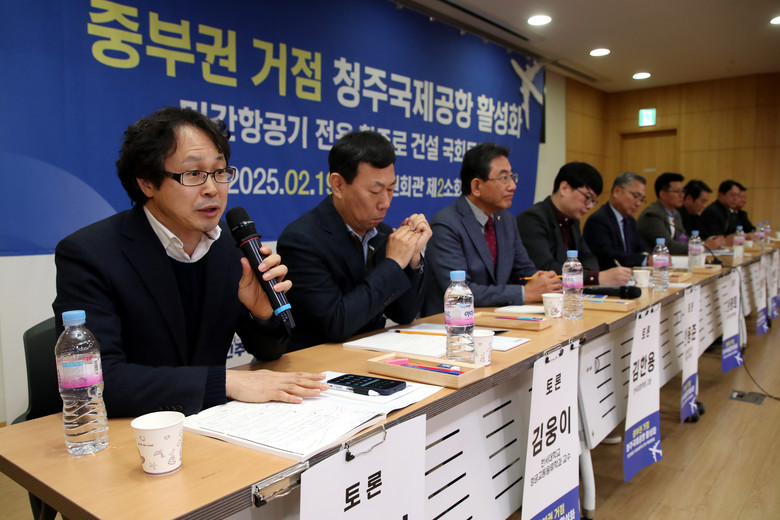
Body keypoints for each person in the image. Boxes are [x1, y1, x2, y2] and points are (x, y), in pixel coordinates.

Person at [53, 107, 327, 418]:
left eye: (220, 172)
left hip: (209, 422)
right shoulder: (90, 254)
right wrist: (225, 382)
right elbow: (99, 382)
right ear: (147, 183)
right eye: (194, 174)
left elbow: (269, 352)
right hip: (129, 429)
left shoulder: (230, 246)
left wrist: (262, 314)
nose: (212, 188)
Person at [277, 131, 431, 350]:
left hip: (368, 354)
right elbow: (336, 324)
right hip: (317, 361)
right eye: (375, 191)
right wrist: (394, 263)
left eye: (390, 189)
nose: (385, 203)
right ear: (338, 185)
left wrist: (413, 257)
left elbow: (404, 314)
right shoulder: (301, 240)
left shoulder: (383, 233)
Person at [422, 143, 560, 316]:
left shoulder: (506, 220)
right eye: (503, 178)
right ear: (476, 187)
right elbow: (460, 293)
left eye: (512, 177)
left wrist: (544, 282)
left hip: (497, 318)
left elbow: (525, 272)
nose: (513, 186)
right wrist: (524, 293)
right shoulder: (446, 224)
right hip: (451, 323)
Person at [516, 162, 632, 285]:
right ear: (564, 188)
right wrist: (595, 277)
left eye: (593, 201)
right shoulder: (532, 219)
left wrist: (590, 274)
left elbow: (587, 257)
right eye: (587, 198)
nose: (590, 206)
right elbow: (546, 268)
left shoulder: (573, 220)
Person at [582, 171, 651, 270]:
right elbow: (608, 255)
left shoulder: (630, 221)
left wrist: (648, 257)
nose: (638, 203)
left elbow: (642, 246)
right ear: (617, 191)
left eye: (642, 199)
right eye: (635, 196)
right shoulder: (598, 220)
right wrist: (644, 260)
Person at [636, 172, 688, 254]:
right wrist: (699, 247)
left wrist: (700, 244)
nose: (682, 195)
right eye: (677, 191)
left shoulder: (675, 213)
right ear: (663, 194)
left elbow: (682, 239)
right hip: (654, 260)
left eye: (683, 191)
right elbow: (667, 246)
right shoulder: (652, 215)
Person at [680, 180, 725, 249]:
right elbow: (683, 241)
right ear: (689, 198)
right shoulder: (677, 216)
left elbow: (705, 236)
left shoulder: (696, 217)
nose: (704, 206)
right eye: (702, 201)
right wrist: (705, 244)